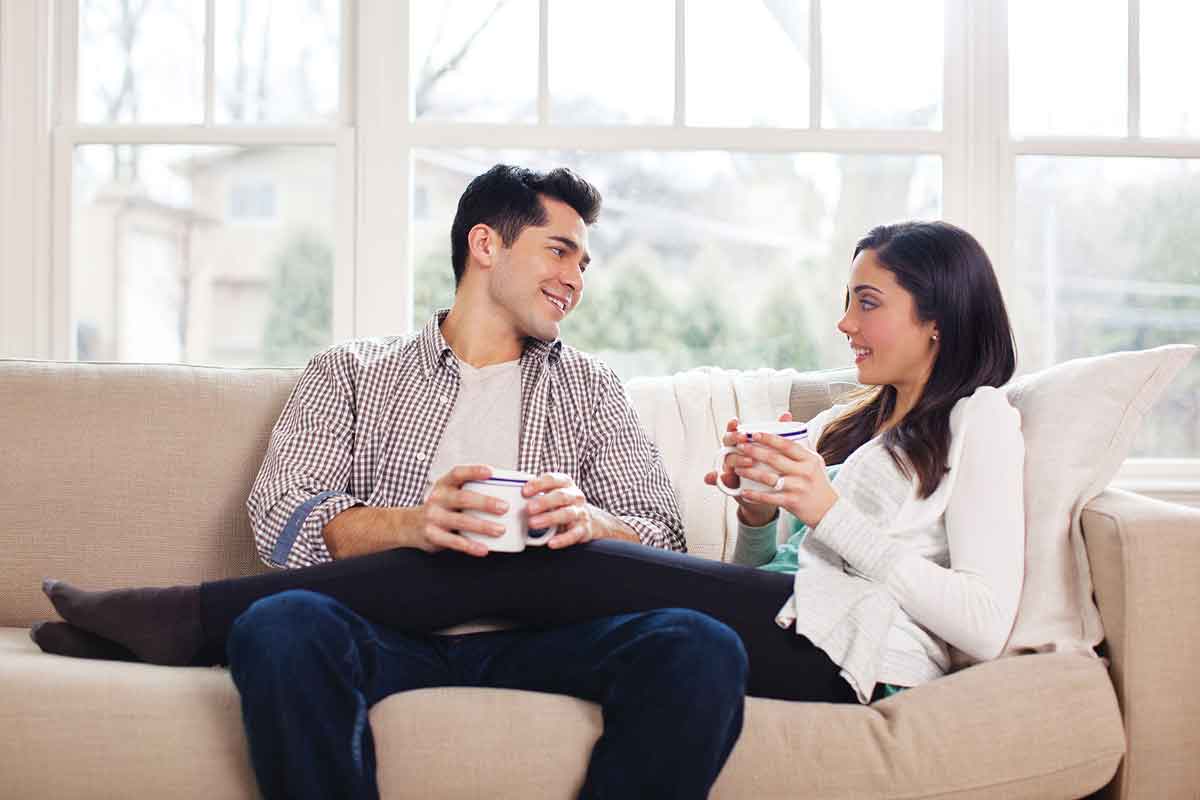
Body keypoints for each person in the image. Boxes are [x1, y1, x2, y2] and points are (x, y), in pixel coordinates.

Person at [36, 220, 1026, 781]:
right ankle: (184, 619)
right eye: (849, 296)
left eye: (868, 300)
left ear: (936, 317)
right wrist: (766, 512)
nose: (844, 320)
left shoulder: (981, 423)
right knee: (536, 552)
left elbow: (981, 623)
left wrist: (828, 514)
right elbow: (767, 585)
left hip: (854, 660)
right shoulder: (851, 423)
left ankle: (191, 615)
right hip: (800, 628)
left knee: (555, 546)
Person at [33, 164, 751, 800]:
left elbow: (663, 536)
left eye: (585, 263)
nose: (576, 279)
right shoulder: (352, 371)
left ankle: (176, 620)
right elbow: (284, 512)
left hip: (547, 637)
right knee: (279, 625)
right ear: (485, 245)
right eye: (559, 251)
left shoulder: (592, 389)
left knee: (700, 646)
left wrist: (594, 522)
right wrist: (412, 526)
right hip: (389, 635)